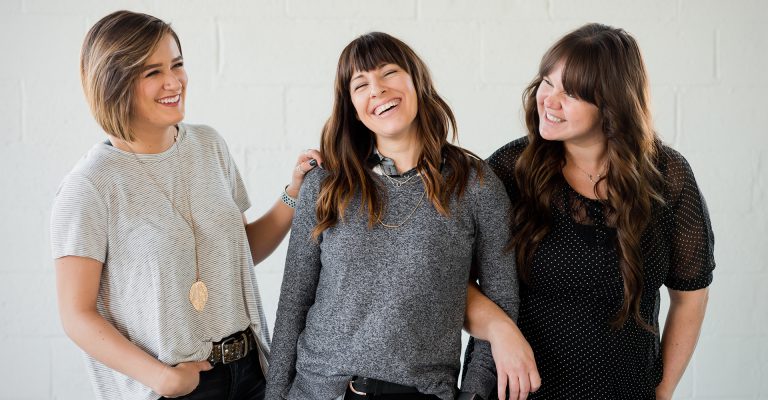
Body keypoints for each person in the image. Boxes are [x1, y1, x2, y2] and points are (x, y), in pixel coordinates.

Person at [50, 10, 321, 400]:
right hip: (176, 387)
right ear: (114, 83)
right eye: (153, 72)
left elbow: (239, 252)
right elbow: (76, 315)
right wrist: (162, 378)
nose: (174, 82)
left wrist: (293, 193)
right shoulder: (88, 186)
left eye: (177, 65)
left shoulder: (209, 145)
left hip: (251, 372)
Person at [463, 23, 715, 399]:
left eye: (570, 93)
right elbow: (450, 279)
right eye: (547, 83)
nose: (549, 101)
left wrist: (662, 392)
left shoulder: (667, 176)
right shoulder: (510, 170)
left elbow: (690, 297)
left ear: (612, 105)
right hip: (519, 392)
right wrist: (500, 331)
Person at [265, 32, 519, 400]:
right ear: (352, 107)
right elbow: (293, 304)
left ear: (417, 80)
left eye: (389, 73)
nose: (378, 90)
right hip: (317, 390)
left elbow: (502, 303)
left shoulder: (475, 184)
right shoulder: (326, 183)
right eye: (361, 84)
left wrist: (474, 395)